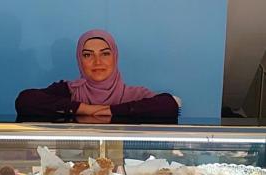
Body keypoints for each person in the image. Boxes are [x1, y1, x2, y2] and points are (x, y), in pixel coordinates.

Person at [15, 29, 180, 123]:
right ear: (80, 60)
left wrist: (111, 110)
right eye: (88, 55)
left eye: (105, 54)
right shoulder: (69, 90)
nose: (97, 61)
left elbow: (169, 105)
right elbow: (25, 101)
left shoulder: (134, 95)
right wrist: (84, 108)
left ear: (115, 57)